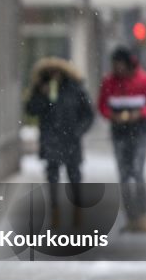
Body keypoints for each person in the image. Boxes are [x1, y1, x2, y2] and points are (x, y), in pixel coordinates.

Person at [97, 46, 146, 233]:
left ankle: (142, 215)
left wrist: (141, 113)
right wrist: (111, 115)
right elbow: (101, 105)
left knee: (137, 172)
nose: (117, 69)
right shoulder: (109, 82)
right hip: (119, 134)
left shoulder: (144, 80)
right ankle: (131, 217)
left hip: (139, 132)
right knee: (124, 176)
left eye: (120, 65)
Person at [24, 57, 94, 228]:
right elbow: (30, 109)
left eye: (57, 72)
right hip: (51, 139)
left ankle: (77, 212)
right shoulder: (41, 88)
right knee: (52, 177)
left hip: (71, 139)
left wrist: (78, 131)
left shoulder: (74, 88)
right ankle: (55, 212)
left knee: (74, 176)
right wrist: (43, 95)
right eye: (50, 73)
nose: (54, 76)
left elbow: (88, 113)